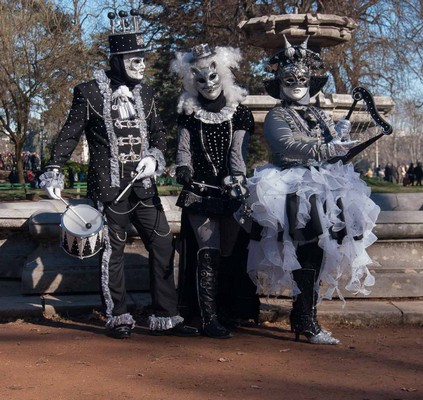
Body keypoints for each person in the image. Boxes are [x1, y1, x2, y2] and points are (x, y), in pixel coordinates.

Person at [39, 9, 198, 340]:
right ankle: (118, 315)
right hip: (109, 189)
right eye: (134, 57)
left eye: (143, 57)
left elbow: (159, 137)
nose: (141, 64)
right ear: (116, 58)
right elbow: (69, 134)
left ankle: (166, 314)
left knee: (163, 243)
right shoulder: (89, 92)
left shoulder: (148, 94)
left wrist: (155, 158)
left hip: (144, 188)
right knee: (112, 252)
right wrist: (54, 170)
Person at [245, 36, 380, 345]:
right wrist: (325, 146)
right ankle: (305, 319)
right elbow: (285, 144)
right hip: (292, 189)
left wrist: (339, 137)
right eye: (290, 78)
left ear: (311, 82)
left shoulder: (318, 113)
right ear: (280, 81)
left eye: (301, 79)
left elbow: (333, 146)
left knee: (317, 252)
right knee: (305, 249)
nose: (296, 84)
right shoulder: (278, 115)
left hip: (323, 187)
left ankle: (304, 316)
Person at [170, 44, 258, 338]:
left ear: (223, 74)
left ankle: (226, 310)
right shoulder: (188, 113)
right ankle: (208, 319)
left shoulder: (239, 113)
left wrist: (238, 180)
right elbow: (183, 150)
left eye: (212, 77)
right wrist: (183, 168)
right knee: (207, 252)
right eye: (200, 79)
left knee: (229, 253)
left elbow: (237, 154)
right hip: (199, 194)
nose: (208, 84)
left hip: (229, 193)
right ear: (191, 80)